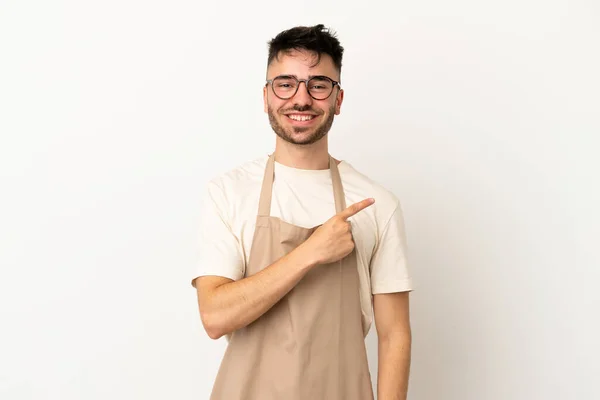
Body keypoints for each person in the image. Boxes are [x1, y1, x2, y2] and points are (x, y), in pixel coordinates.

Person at [191, 24, 413, 400]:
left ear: (338, 99)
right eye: (285, 84)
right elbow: (214, 316)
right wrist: (311, 252)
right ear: (266, 96)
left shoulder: (376, 203)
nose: (301, 98)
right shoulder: (229, 192)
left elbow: (395, 336)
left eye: (318, 84)